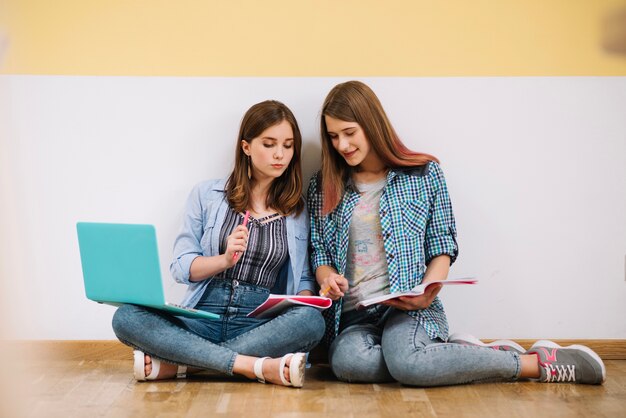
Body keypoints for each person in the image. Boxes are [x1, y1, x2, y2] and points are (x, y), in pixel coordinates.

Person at [307, 80, 605, 386]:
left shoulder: (424, 173)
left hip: (407, 310)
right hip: (355, 317)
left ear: (371, 124)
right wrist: (328, 277)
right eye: (333, 136)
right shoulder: (322, 185)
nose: (342, 145)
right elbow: (319, 253)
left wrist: (426, 291)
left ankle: (535, 363)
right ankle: (456, 354)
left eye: (349, 132)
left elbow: (442, 246)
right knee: (349, 363)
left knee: (408, 364)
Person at [113, 100, 325, 387]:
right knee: (126, 317)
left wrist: (305, 299)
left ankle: (188, 365)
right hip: (201, 316)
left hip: (258, 321)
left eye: (288, 146)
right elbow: (181, 267)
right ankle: (252, 365)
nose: (280, 154)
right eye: (269, 143)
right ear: (246, 147)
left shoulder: (296, 209)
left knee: (311, 322)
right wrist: (224, 260)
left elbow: (301, 277)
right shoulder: (207, 195)